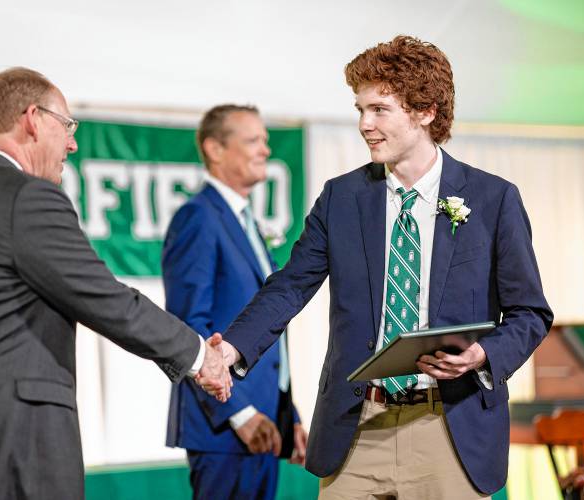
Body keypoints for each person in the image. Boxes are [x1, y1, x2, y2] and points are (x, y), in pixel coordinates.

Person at [220, 36, 553, 499]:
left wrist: (482, 356)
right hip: (357, 431)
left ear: (426, 112)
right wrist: (231, 349)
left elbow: (529, 313)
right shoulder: (341, 198)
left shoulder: (494, 200)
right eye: (360, 109)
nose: (364, 124)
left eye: (379, 109)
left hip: (451, 430)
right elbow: (289, 287)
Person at [0, 67, 230, 500]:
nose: (72, 142)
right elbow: (104, 297)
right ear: (32, 118)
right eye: (66, 125)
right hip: (4, 462)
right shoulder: (25, 196)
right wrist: (199, 356)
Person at [163, 104, 308, 500]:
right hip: (226, 428)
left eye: (265, 140)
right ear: (215, 148)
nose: (265, 149)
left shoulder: (245, 221)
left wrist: (286, 412)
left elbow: (264, 329)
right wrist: (238, 414)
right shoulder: (198, 217)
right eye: (252, 141)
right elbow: (187, 326)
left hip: (266, 424)